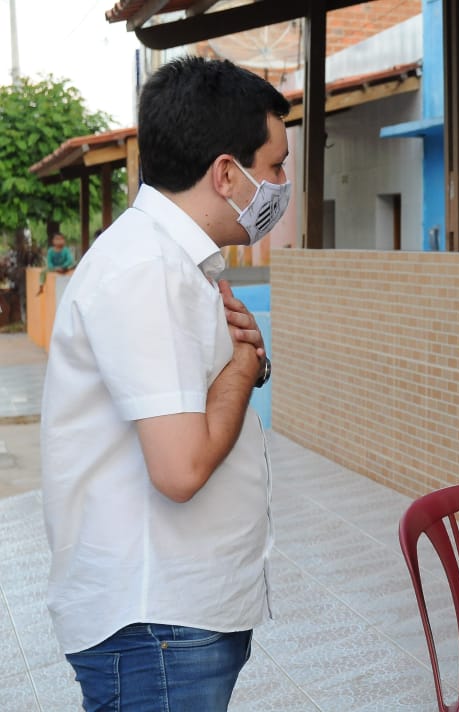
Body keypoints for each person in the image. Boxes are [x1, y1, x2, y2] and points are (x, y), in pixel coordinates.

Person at [40, 56, 290, 711]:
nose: (282, 185)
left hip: (176, 614)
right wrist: (242, 371)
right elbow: (179, 469)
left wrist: (245, 365)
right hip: (156, 623)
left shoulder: (172, 262)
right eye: (276, 166)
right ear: (227, 173)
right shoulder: (147, 270)